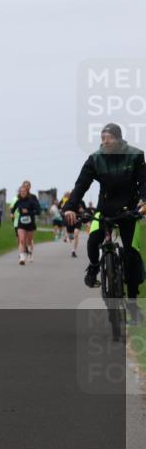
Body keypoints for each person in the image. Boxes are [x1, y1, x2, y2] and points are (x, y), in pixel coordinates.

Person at [63, 123, 146, 322]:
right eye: (102, 139)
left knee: (130, 254)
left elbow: (144, 181)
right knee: (93, 240)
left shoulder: (135, 155)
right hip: (105, 208)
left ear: (119, 139)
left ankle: (133, 303)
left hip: (129, 209)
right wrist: (70, 207)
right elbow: (81, 185)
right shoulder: (95, 159)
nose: (105, 142)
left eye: (109, 138)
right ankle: (93, 266)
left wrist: (144, 200)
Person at [11, 182, 41, 265]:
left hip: (30, 223)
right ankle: (22, 257)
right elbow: (13, 208)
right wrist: (11, 213)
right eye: (21, 191)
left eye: (24, 191)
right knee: (21, 240)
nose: (23, 192)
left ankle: (30, 253)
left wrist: (29, 212)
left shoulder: (32, 200)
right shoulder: (18, 201)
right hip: (21, 223)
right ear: (19, 192)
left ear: (27, 191)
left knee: (29, 241)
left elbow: (38, 211)